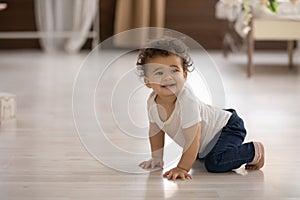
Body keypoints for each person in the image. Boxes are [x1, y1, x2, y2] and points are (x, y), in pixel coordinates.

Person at [137, 37, 264, 181]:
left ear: (184, 75)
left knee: (214, 163)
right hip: (208, 140)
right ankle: (208, 153)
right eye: (159, 73)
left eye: (174, 70)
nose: (168, 77)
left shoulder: (186, 101)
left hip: (227, 127)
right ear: (148, 82)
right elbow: (156, 131)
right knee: (201, 156)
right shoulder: (152, 103)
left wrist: (182, 168)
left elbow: (192, 140)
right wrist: (156, 158)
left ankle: (253, 151)